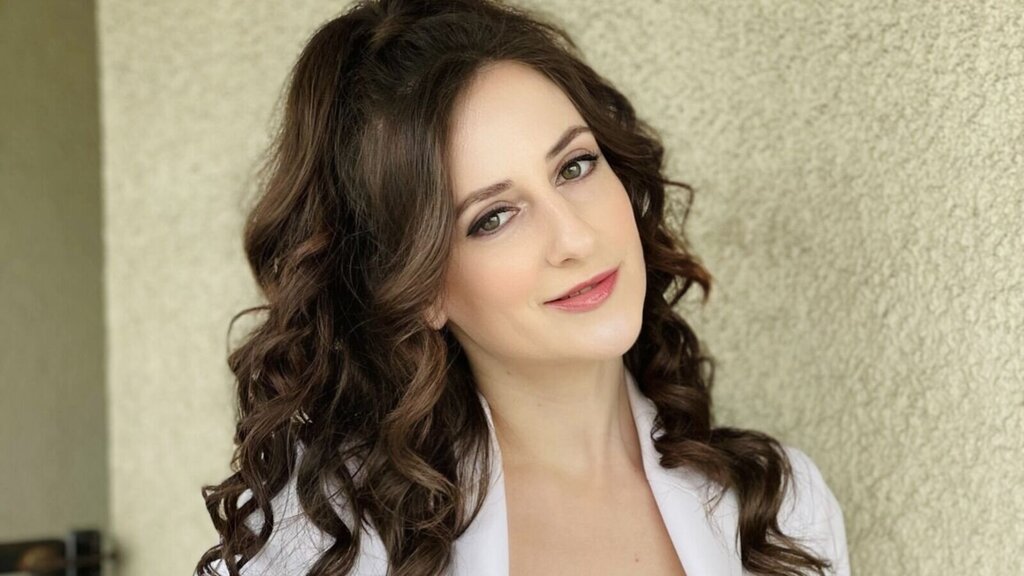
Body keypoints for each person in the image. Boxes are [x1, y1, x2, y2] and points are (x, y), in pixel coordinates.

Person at [195, 0, 850, 574]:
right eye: (493, 217)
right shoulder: (330, 543)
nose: (575, 237)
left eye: (575, 166)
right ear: (421, 290)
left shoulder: (781, 511)